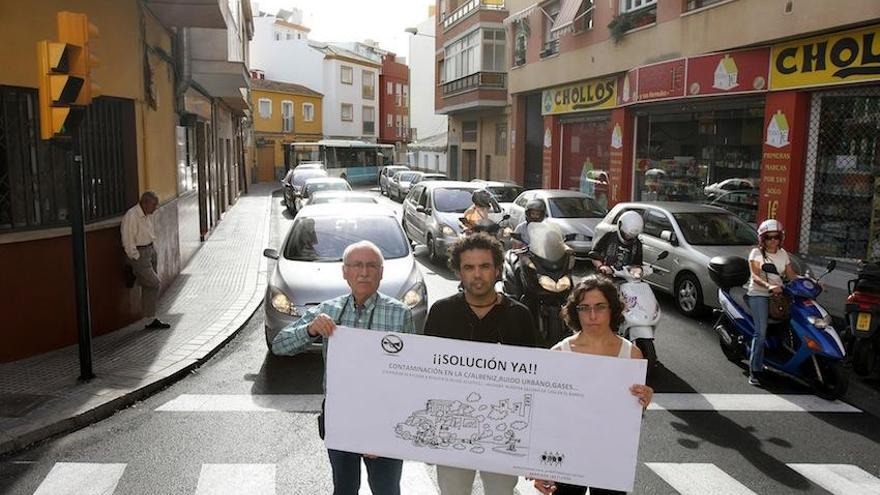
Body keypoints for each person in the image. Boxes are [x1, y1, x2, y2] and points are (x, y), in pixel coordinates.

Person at [272, 241, 415, 495]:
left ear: (381, 273)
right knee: (344, 487)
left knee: (386, 489)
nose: (364, 272)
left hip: (383, 414)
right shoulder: (328, 310)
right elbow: (280, 345)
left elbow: (409, 374)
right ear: (344, 272)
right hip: (340, 414)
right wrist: (311, 329)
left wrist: (385, 431)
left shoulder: (400, 313)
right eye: (356, 265)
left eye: (371, 266)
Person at [424, 233, 540, 495]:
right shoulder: (441, 313)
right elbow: (425, 378)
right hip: (451, 432)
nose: (477, 274)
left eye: (485, 266)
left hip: (503, 432)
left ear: (498, 270)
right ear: (458, 272)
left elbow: (535, 381)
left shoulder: (519, 316)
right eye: (469, 267)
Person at [533, 275, 654, 495]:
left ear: (612, 309)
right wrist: (541, 466)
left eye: (600, 307)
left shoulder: (631, 354)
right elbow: (547, 415)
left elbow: (632, 412)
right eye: (584, 308)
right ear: (575, 311)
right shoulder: (560, 353)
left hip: (611, 456)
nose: (592, 315)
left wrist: (644, 399)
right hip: (568, 454)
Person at [745, 219, 798, 386]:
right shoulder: (756, 253)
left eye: (776, 237)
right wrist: (769, 286)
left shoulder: (783, 254)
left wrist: (813, 283)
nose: (773, 240)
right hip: (759, 294)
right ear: (762, 239)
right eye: (769, 237)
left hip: (778, 296)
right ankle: (755, 370)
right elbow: (754, 276)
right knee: (760, 333)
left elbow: (792, 276)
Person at [121, 191, 170, 330]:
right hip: (140, 254)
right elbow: (127, 239)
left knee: (149, 286)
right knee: (154, 283)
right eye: (154, 205)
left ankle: (150, 319)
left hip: (149, 250)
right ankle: (149, 317)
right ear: (145, 202)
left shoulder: (147, 215)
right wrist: (135, 256)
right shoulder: (132, 216)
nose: (156, 208)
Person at [590, 211, 644, 276]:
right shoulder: (609, 236)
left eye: (632, 236)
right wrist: (601, 266)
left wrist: (638, 270)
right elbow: (594, 253)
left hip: (626, 279)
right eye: (626, 235)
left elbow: (638, 263)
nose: (628, 238)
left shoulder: (637, 244)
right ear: (620, 226)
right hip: (605, 277)